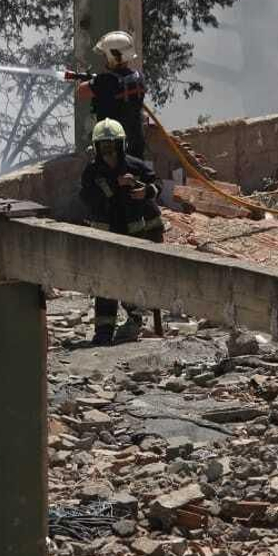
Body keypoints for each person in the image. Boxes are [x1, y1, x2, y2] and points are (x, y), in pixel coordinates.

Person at [79, 118, 163, 344]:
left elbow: (157, 186)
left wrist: (145, 191)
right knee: (105, 281)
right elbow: (87, 198)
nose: (109, 152)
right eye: (104, 147)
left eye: (112, 146)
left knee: (131, 279)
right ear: (96, 148)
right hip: (105, 237)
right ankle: (103, 332)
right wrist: (114, 187)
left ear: (121, 145)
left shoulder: (136, 166)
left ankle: (136, 318)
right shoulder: (92, 173)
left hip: (135, 237)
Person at [76, 30, 148, 158]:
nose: (104, 58)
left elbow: (81, 92)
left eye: (105, 55)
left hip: (112, 148)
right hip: (135, 145)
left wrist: (91, 81)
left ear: (112, 56)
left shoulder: (105, 81)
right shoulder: (139, 77)